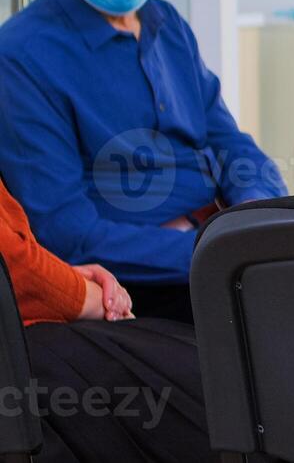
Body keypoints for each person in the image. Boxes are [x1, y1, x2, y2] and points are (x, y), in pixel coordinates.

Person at [0, 0, 287, 324]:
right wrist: (217, 250)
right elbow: (66, 233)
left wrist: (256, 209)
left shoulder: (165, 22)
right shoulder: (21, 57)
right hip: (140, 291)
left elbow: (229, 142)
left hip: (223, 249)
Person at [0, 172, 212, 461]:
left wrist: (67, 275)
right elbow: (20, 261)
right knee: (212, 384)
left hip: (51, 297)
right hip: (22, 338)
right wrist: (91, 297)